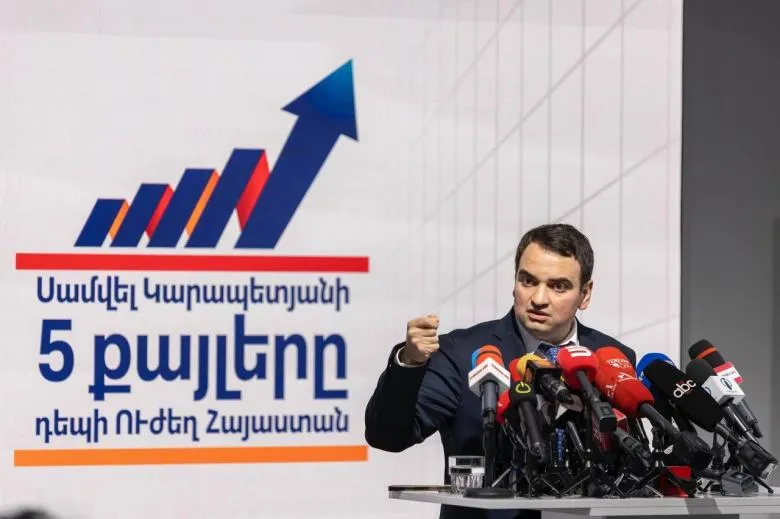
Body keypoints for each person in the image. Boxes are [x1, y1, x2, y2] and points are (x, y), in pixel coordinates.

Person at [364, 224, 636, 519]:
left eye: (558, 286)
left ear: (585, 294)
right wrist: (409, 362)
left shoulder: (613, 357)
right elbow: (388, 436)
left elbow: (629, 462)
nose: (539, 299)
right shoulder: (461, 352)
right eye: (528, 281)